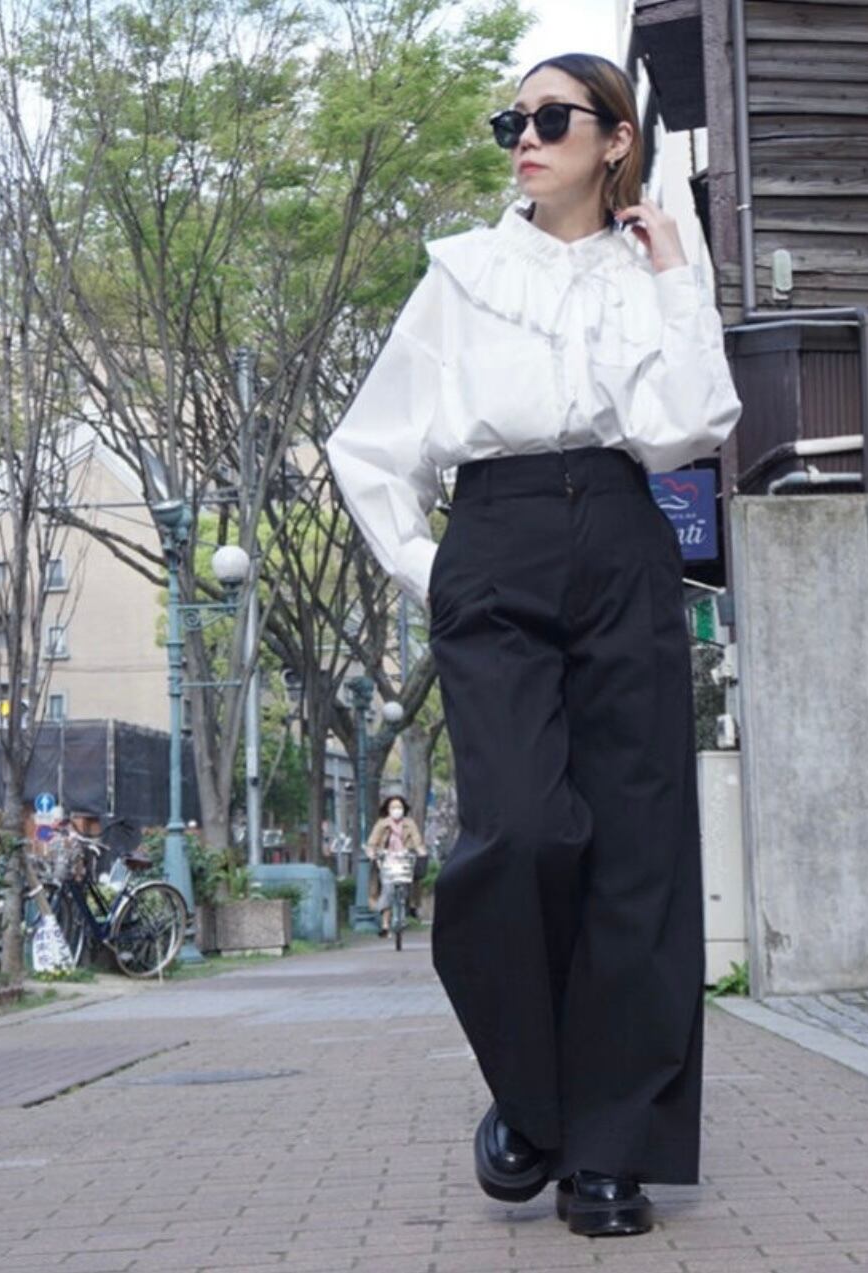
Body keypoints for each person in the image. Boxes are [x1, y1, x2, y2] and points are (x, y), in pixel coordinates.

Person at [325, 51, 741, 1238]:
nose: (525, 137)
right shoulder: (463, 274)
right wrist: (436, 570)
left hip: (621, 532)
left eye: (552, 118)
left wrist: (675, 276)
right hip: (494, 540)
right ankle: (534, 1095)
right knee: (518, 829)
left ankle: (609, 1151)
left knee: (637, 854)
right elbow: (370, 446)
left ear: (616, 139)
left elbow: (687, 427)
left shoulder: (657, 269)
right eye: (513, 119)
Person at [364, 794, 426, 937]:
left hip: (404, 860)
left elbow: (418, 842)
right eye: (393, 807)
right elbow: (372, 843)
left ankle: (410, 909)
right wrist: (372, 853)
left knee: (410, 885)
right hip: (386, 862)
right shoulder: (381, 824)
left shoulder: (410, 823)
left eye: (399, 807)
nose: (397, 810)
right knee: (388, 889)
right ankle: (385, 925)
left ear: (404, 809)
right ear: (388, 809)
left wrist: (422, 853)